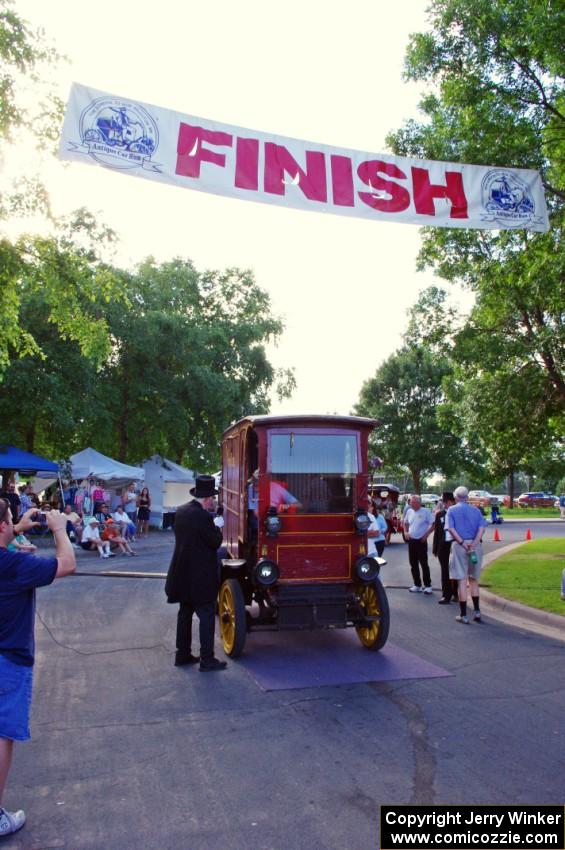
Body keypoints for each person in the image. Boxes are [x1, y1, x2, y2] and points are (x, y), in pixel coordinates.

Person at [0, 500, 76, 836]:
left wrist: (16, 529)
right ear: (2, 526)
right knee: (2, 736)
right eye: (8, 520)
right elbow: (67, 564)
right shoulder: (13, 564)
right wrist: (59, 528)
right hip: (8, 659)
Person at [165, 475, 226, 672]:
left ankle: (182, 654)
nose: (213, 502)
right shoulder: (203, 517)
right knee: (206, 616)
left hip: (181, 572)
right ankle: (207, 659)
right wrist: (217, 526)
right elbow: (215, 542)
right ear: (207, 499)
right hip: (200, 576)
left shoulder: (181, 512)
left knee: (185, 614)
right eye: (212, 499)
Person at [445, 485, 487, 624]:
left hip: (460, 545)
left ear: (456, 497)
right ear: (467, 497)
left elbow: (450, 528)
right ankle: (477, 611)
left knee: (462, 579)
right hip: (475, 546)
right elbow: (481, 528)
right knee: (474, 579)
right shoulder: (476, 510)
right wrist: (474, 544)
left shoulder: (451, 510)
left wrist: (462, 542)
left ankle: (463, 614)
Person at [403, 494, 435, 593]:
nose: (411, 504)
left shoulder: (425, 511)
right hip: (412, 540)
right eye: (411, 503)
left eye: (413, 503)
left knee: (424, 563)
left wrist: (427, 535)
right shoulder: (409, 511)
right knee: (413, 563)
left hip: (421, 540)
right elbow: (405, 523)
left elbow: (434, 524)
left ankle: (428, 585)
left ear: (419, 503)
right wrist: (405, 532)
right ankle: (417, 584)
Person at [432, 491, 457, 604]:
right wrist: (435, 548)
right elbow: (437, 533)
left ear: (452, 501)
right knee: (445, 570)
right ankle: (445, 594)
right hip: (443, 545)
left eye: (446, 502)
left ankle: (456, 593)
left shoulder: (457, 513)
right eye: (443, 502)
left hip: (455, 544)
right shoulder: (440, 514)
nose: (445, 504)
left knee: (455, 570)